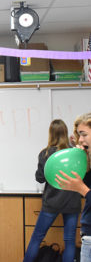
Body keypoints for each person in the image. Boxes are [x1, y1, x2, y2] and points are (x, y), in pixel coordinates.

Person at [23, 119, 80, 262]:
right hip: (72, 201)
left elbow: (40, 178)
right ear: (66, 133)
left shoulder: (45, 153)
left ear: (51, 134)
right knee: (69, 240)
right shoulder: (74, 153)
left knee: (37, 237)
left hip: (52, 202)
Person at [55, 112, 91, 262]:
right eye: (79, 135)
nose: (80, 139)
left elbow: (86, 190)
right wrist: (83, 160)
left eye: (84, 134)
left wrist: (81, 189)